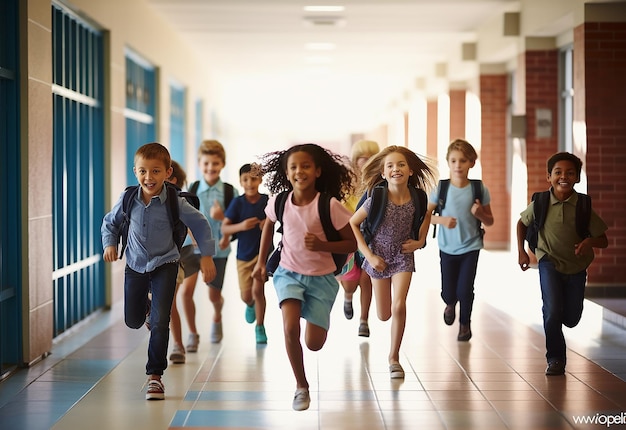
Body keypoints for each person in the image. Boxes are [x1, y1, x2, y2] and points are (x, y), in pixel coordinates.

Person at [101, 143, 217, 400]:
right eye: (143, 171)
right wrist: (109, 243)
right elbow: (110, 222)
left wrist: (207, 256)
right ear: (135, 172)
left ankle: (155, 377)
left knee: (161, 319)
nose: (149, 177)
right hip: (135, 264)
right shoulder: (128, 199)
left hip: (166, 263)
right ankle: (147, 312)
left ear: (167, 172)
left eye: (155, 171)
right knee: (133, 320)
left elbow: (200, 223)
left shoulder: (175, 201)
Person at [251, 143, 357, 411]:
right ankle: (301, 386)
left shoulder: (329, 206)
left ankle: (316, 321)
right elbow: (267, 228)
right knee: (289, 328)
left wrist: (322, 245)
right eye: (294, 167)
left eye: (306, 166)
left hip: (321, 279)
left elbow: (352, 244)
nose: (300, 171)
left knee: (314, 344)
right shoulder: (280, 202)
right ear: (287, 173)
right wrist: (261, 263)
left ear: (318, 171)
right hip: (288, 273)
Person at [516, 152, 608, 376]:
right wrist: (522, 252)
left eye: (570, 173)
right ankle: (555, 358)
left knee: (571, 318)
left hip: (577, 268)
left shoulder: (583, 206)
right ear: (549, 177)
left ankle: (562, 319)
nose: (563, 177)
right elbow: (521, 223)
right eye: (558, 172)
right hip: (549, 262)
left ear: (577, 178)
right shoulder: (541, 202)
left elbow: (603, 240)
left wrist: (589, 242)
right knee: (552, 311)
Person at [349, 145, 437, 380]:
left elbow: (426, 215)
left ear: (409, 171)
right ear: (383, 173)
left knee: (399, 306)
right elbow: (352, 224)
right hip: (377, 256)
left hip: (402, 255)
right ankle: (384, 335)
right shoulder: (377, 198)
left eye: (401, 164)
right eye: (390, 166)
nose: (396, 169)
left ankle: (394, 358)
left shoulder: (417, 197)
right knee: (384, 314)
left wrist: (419, 242)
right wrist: (369, 256)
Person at [427, 139, 494, 342]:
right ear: (448, 162)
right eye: (454, 160)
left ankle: (465, 325)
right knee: (448, 291)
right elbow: (425, 217)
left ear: (472, 163)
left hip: (471, 246)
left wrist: (480, 213)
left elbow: (489, 221)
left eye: (463, 161)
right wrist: (441, 219)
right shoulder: (442, 188)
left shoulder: (478, 188)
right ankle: (449, 303)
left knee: (465, 289)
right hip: (447, 247)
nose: (458, 165)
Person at [178, 139, 239, 350]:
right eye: (206, 163)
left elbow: (236, 225)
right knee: (186, 292)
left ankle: (217, 314)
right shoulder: (192, 189)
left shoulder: (231, 192)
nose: (210, 168)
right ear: (199, 164)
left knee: (213, 293)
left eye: (215, 163)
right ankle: (193, 334)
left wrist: (222, 216)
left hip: (218, 251)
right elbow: (183, 220)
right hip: (191, 247)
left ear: (222, 164)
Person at [221, 163, 269, 344]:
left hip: (261, 255)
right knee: (247, 296)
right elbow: (225, 227)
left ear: (260, 180)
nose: (250, 183)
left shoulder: (266, 200)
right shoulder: (238, 203)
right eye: (245, 179)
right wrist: (242, 226)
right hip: (242, 257)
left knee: (258, 290)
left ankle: (260, 326)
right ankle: (249, 305)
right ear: (240, 182)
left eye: (254, 178)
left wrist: (267, 224)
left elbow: (276, 220)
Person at [338, 139, 380, 337]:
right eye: (363, 158)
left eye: (371, 157)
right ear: (356, 161)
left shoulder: (380, 184)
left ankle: (364, 320)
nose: (366, 161)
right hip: (348, 239)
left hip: (370, 240)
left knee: (366, 279)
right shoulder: (346, 184)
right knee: (350, 282)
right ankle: (347, 296)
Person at [167, 160, 189, 364]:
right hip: (147, 265)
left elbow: (195, 225)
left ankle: (178, 346)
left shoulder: (179, 203)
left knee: (170, 303)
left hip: (174, 262)